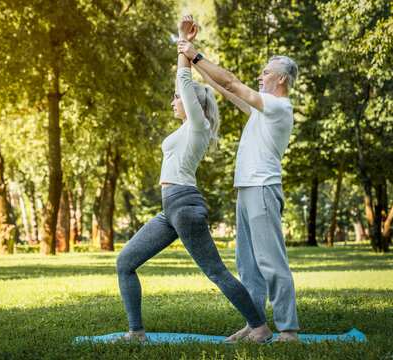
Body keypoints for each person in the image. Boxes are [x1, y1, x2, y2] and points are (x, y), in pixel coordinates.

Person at [108, 15, 273, 344]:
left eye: (177, 98)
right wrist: (182, 46)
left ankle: (260, 327)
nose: (172, 101)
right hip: (170, 208)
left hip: (185, 206)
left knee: (215, 271)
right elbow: (181, 86)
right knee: (125, 261)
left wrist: (183, 43)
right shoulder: (185, 129)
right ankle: (136, 332)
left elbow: (184, 80)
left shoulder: (198, 126)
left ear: (193, 104)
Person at [177, 15, 300, 342]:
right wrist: (190, 55)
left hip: (262, 188)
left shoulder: (278, 107)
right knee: (248, 266)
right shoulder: (262, 110)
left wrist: (196, 54)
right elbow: (222, 87)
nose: (260, 77)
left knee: (271, 263)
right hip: (247, 189)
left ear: (282, 79)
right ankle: (256, 325)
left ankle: (289, 330)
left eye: (266, 73)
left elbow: (232, 82)